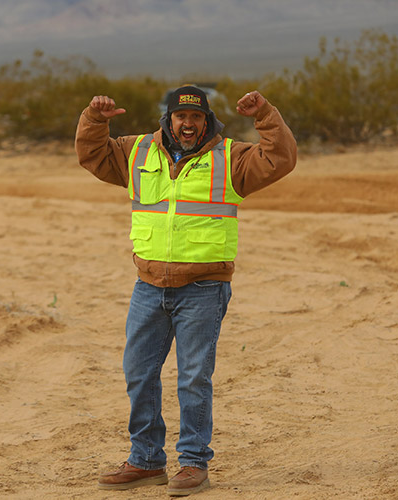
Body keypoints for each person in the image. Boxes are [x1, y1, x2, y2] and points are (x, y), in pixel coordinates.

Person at [74, 85, 297, 496]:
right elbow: (93, 154)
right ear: (169, 119)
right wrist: (94, 118)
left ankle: (193, 464)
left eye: (196, 117)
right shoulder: (137, 151)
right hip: (149, 286)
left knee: (193, 378)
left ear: (207, 120)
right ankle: (145, 461)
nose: (188, 124)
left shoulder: (230, 158)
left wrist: (264, 114)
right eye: (181, 117)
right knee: (139, 373)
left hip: (204, 288)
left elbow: (280, 158)